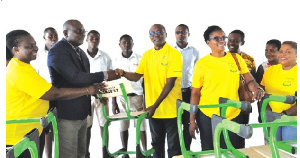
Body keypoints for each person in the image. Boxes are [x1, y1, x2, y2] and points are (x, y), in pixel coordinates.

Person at [6, 29, 103, 158]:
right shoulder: (19, 70)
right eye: (30, 46)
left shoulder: (24, 67)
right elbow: (53, 94)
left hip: (31, 131)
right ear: (16, 50)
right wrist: (87, 90)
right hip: (18, 137)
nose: (36, 48)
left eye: (35, 44)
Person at [47, 19, 119, 158]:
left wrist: (97, 93)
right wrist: (105, 75)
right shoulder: (58, 51)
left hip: (82, 113)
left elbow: (84, 82)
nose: (82, 34)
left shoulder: (80, 52)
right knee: (68, 155)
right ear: (65, 32)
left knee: (81, 153)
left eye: (83, 31)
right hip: (67, 114)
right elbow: (75, 77)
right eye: (78, 31)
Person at [189, 25, 265, 150]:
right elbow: (195, 93)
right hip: (208, 115)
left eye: (223, 37)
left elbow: (249, 79)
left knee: (232, 150)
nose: (222, 41)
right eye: (216, 38)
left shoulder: (236, 58)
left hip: (233, 113)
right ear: (208, 42)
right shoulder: (202, 64)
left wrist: (256, 89)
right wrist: (192, 121)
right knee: (210, 151)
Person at [115, 24, 182, 158]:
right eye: (152, 33)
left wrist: (153, 106)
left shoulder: (174, 54)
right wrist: (123, 73)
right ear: (150, 37)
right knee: (156, 146)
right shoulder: (147, 55)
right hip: (153, 111)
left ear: (165, 34)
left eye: (159, 32)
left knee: (174, 147)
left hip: (171, 110)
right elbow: (136, 76)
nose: (156, 35)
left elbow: (169, 84)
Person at [112, 34, 147, 158]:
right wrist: (114, 102)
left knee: (141, 126)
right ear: (119, 44)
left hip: (138, 96)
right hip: (122, 98)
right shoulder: (115, 60)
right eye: (124, 42)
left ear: (133, 44)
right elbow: (113, 82)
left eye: (129, 42)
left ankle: (144, 151)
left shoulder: (140, 58)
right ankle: (125, 152)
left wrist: (145, 101)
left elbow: (145, 81)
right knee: (123, 125)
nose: (126, 44)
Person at [30, 27, 58, 158]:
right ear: (44, 38)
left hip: (58, 93)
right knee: (46, 128)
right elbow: (35, 74)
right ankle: (48, 155)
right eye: (50, 36)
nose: (53, 39)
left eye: (55, 37)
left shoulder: (61, 53)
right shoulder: (37, 55)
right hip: (44, 94)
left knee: (57, 126)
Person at [84, 30, 112, 158]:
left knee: (104, 125)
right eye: (91, 38)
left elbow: (110, 78)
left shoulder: (105, 57)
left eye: (97, 38)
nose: (94, 40)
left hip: (102, 97)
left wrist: (107, 94)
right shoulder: (81, 56)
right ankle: (85, 153)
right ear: (87, 40)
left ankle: (105, 152)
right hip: (85, 97)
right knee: (86, 127)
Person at [261, 41, 297, 141]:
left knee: (288, 153)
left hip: (292, 121)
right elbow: (263, 94)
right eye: (281, 51)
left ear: (296, 55)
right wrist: (268, 113)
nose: (283, 54)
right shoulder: (270, 71)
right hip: (271, 119)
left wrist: (284, 115)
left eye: (288, 52)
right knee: (271, 151)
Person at [173, 24, 199, 150]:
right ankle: (176, 151)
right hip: (173, 92)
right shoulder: (170, 51)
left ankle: (186, 150)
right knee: (173, 123)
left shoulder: (194, 51)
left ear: (188, 34)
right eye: (178, 32)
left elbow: (198, 73)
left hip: (188, 92)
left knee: (187, 122)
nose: (180, 34)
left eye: (183, 32)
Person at [255, 39, 281, 123]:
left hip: (283, 103)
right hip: (267, 104)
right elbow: (259, 90)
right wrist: (260, 111)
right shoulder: (263, 67)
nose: (268, 53)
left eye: (272, 51)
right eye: (266, 51)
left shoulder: (286, 66)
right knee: (269, 132)